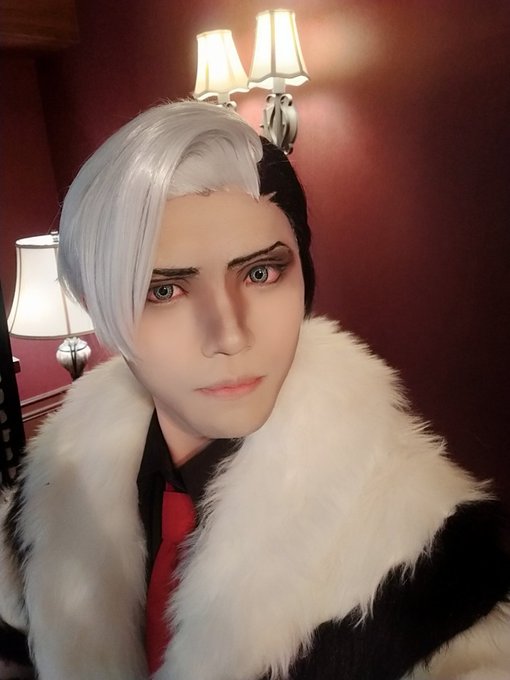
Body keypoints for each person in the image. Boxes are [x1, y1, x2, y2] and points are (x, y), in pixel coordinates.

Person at [0, 101, 509, 680]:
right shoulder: (44, 505)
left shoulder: (428, 547)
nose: (230, 335)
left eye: (261, 273)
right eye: (163, 291)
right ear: (99, 310)